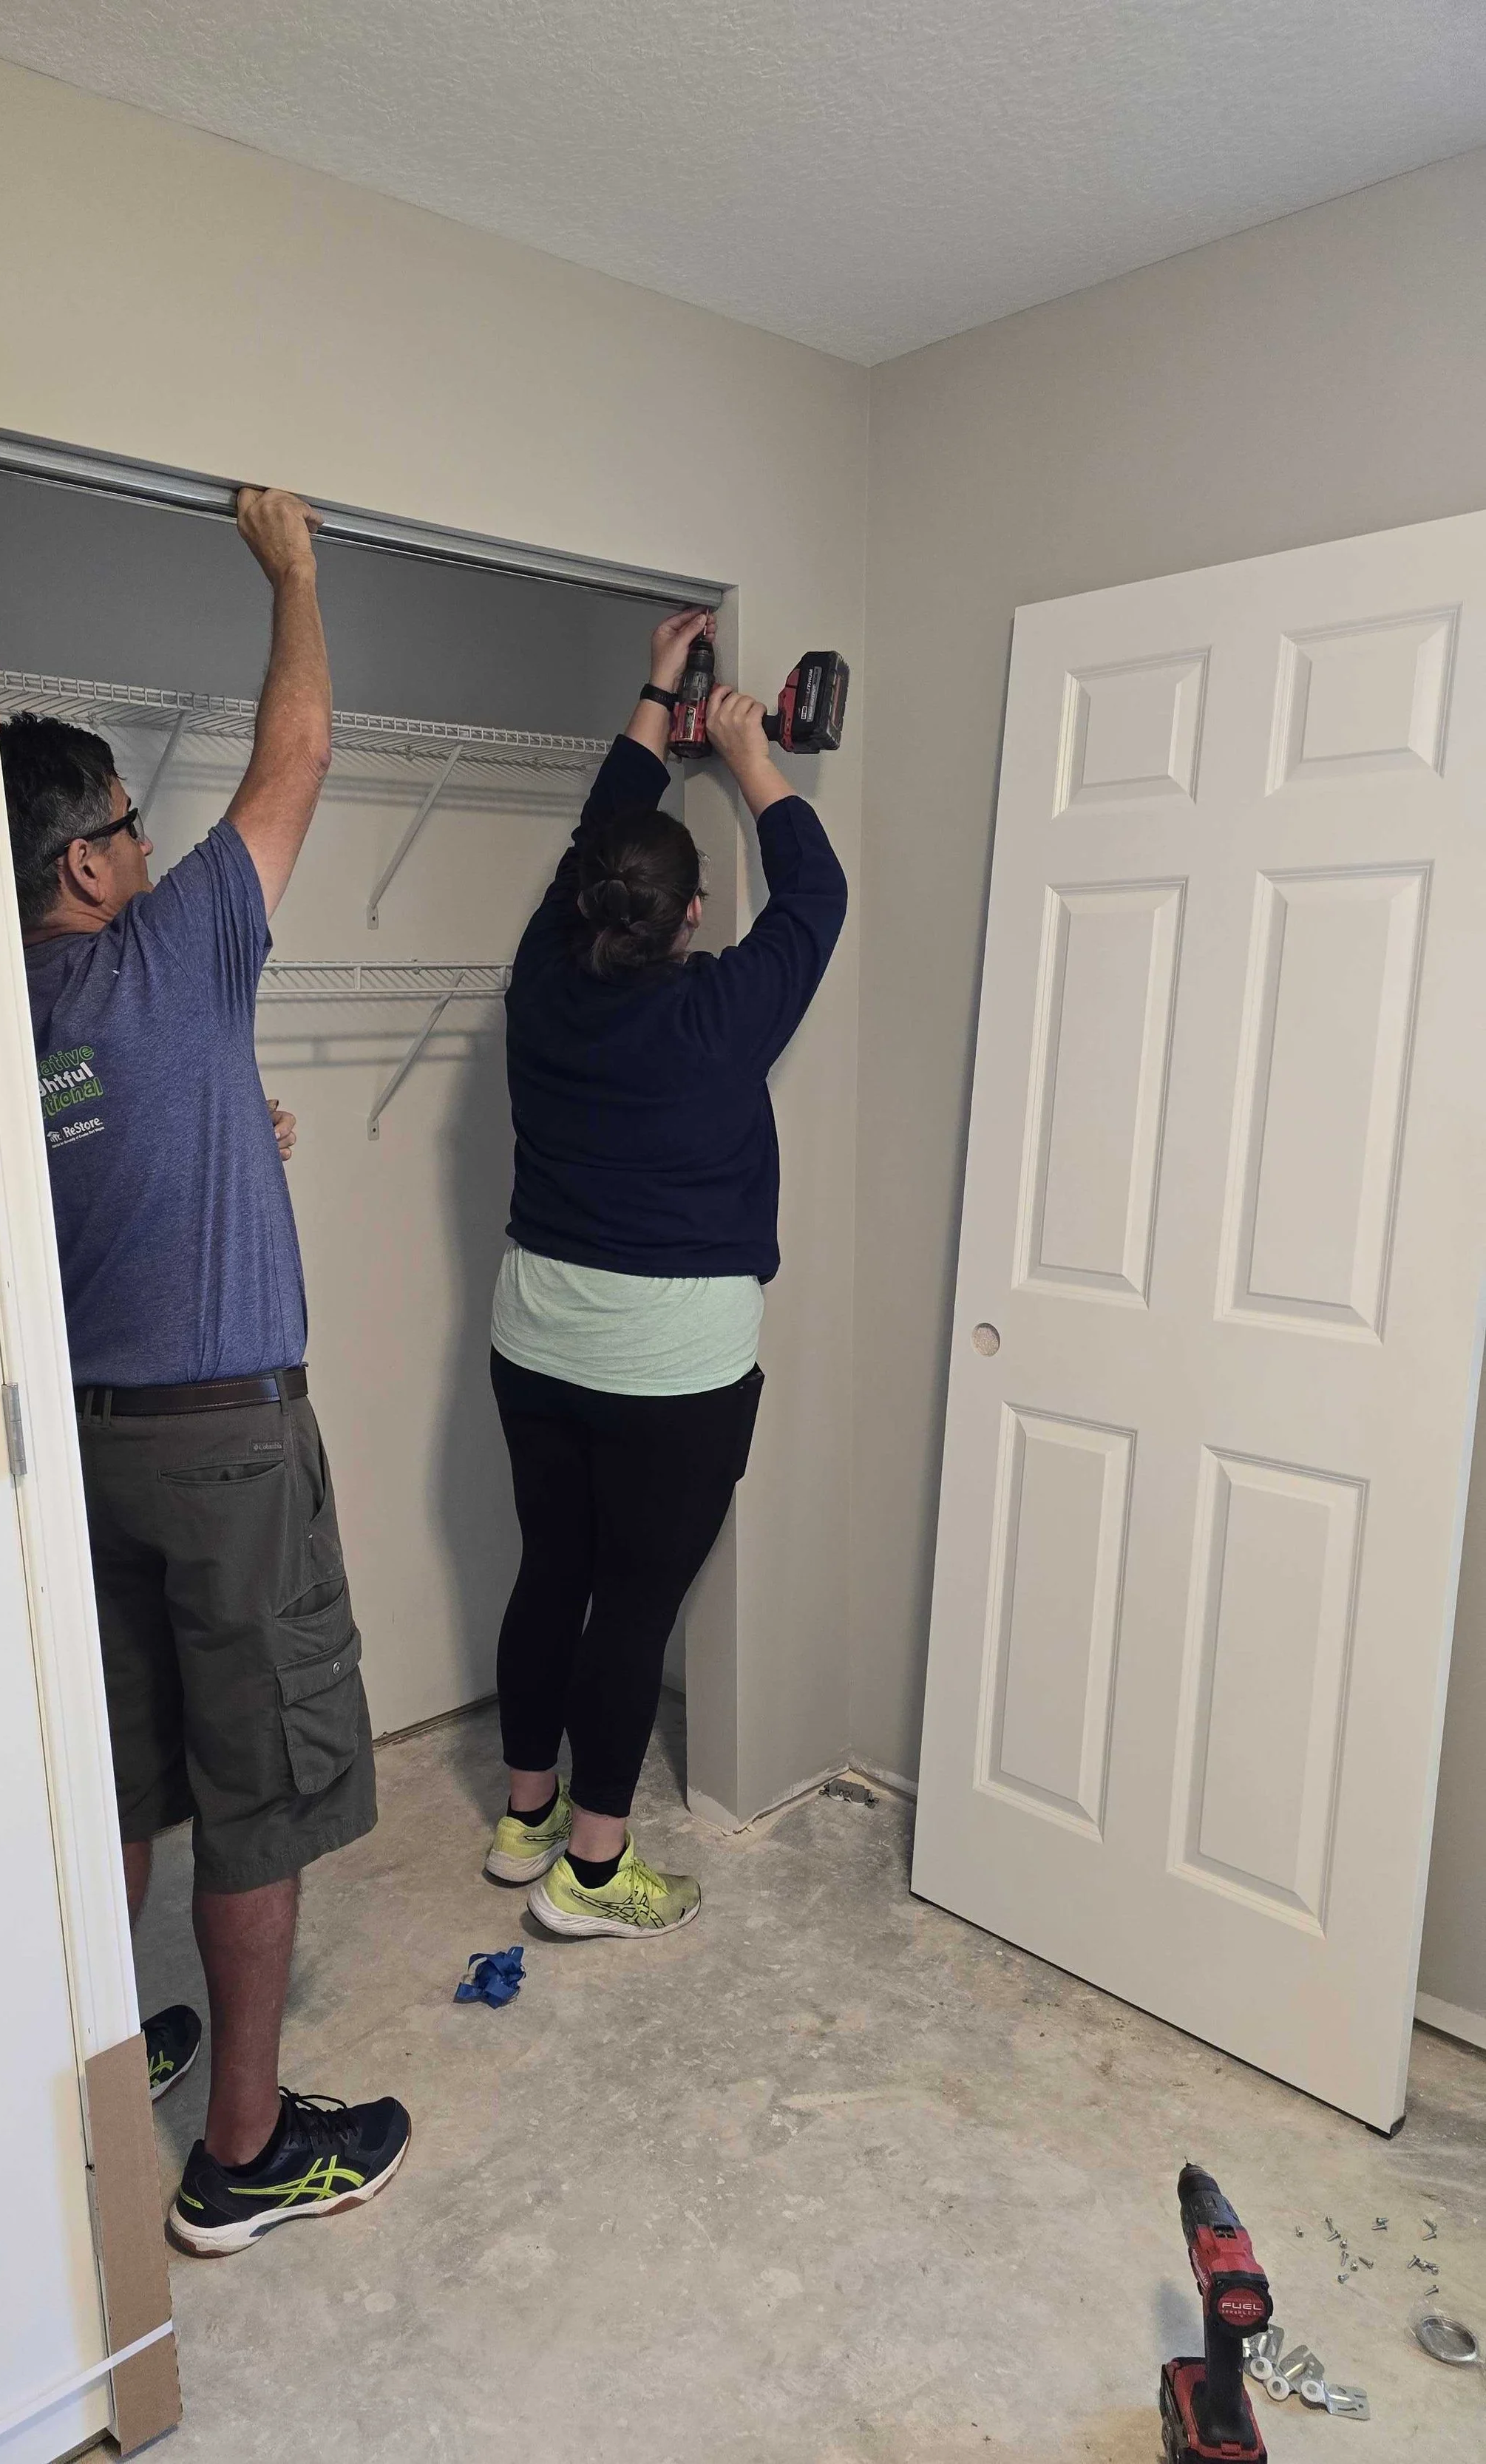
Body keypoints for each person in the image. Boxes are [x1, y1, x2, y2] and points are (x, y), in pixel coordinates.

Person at [0, 486, 410, 2257]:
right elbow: (297, 750)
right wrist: (292, 569)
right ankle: (242, 2151)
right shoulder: (168, 957)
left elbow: (92, 1167)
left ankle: (113, 2069)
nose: (149, 842)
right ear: (87, 868)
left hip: (82, 1459)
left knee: (123, 1773)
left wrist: (231, 1127)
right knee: (257, 1789)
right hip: (228, 1462)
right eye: (125, 821)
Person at [484, 608, 847, 1937]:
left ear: (583, 902)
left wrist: (655, 696)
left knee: (551, 1573)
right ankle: (593, 1875)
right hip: (672, 1370)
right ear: (692, 917)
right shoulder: (716, 1012)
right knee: (631, 1609)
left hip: (536, 1340)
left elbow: (599, 835)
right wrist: (751, 756)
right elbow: (817, 898)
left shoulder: (538, 980)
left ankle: (525, 1821)